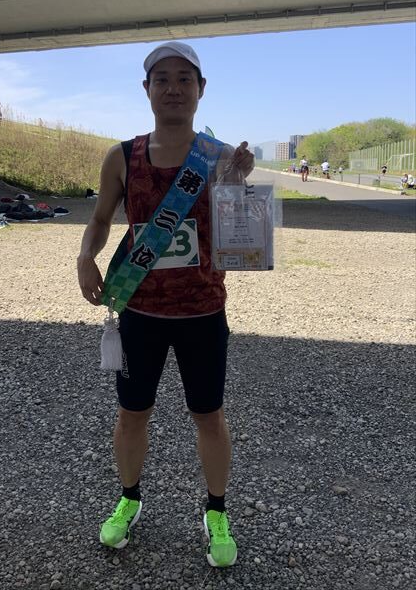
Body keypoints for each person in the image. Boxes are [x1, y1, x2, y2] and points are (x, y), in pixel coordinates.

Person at [77, 41, 254, 568]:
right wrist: (85, 256)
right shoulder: (122, 156)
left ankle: (216, 511)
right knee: (132, 414)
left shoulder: (219, 156)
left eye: (184, 79)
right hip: (140, 312)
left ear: (201, 89)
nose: (173, 88)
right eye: (162, 79)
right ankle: (129, 499)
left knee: (209, 415)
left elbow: (239, 231)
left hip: (204, 311)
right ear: (146, 88)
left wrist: (238, 184)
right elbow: (101, 219)